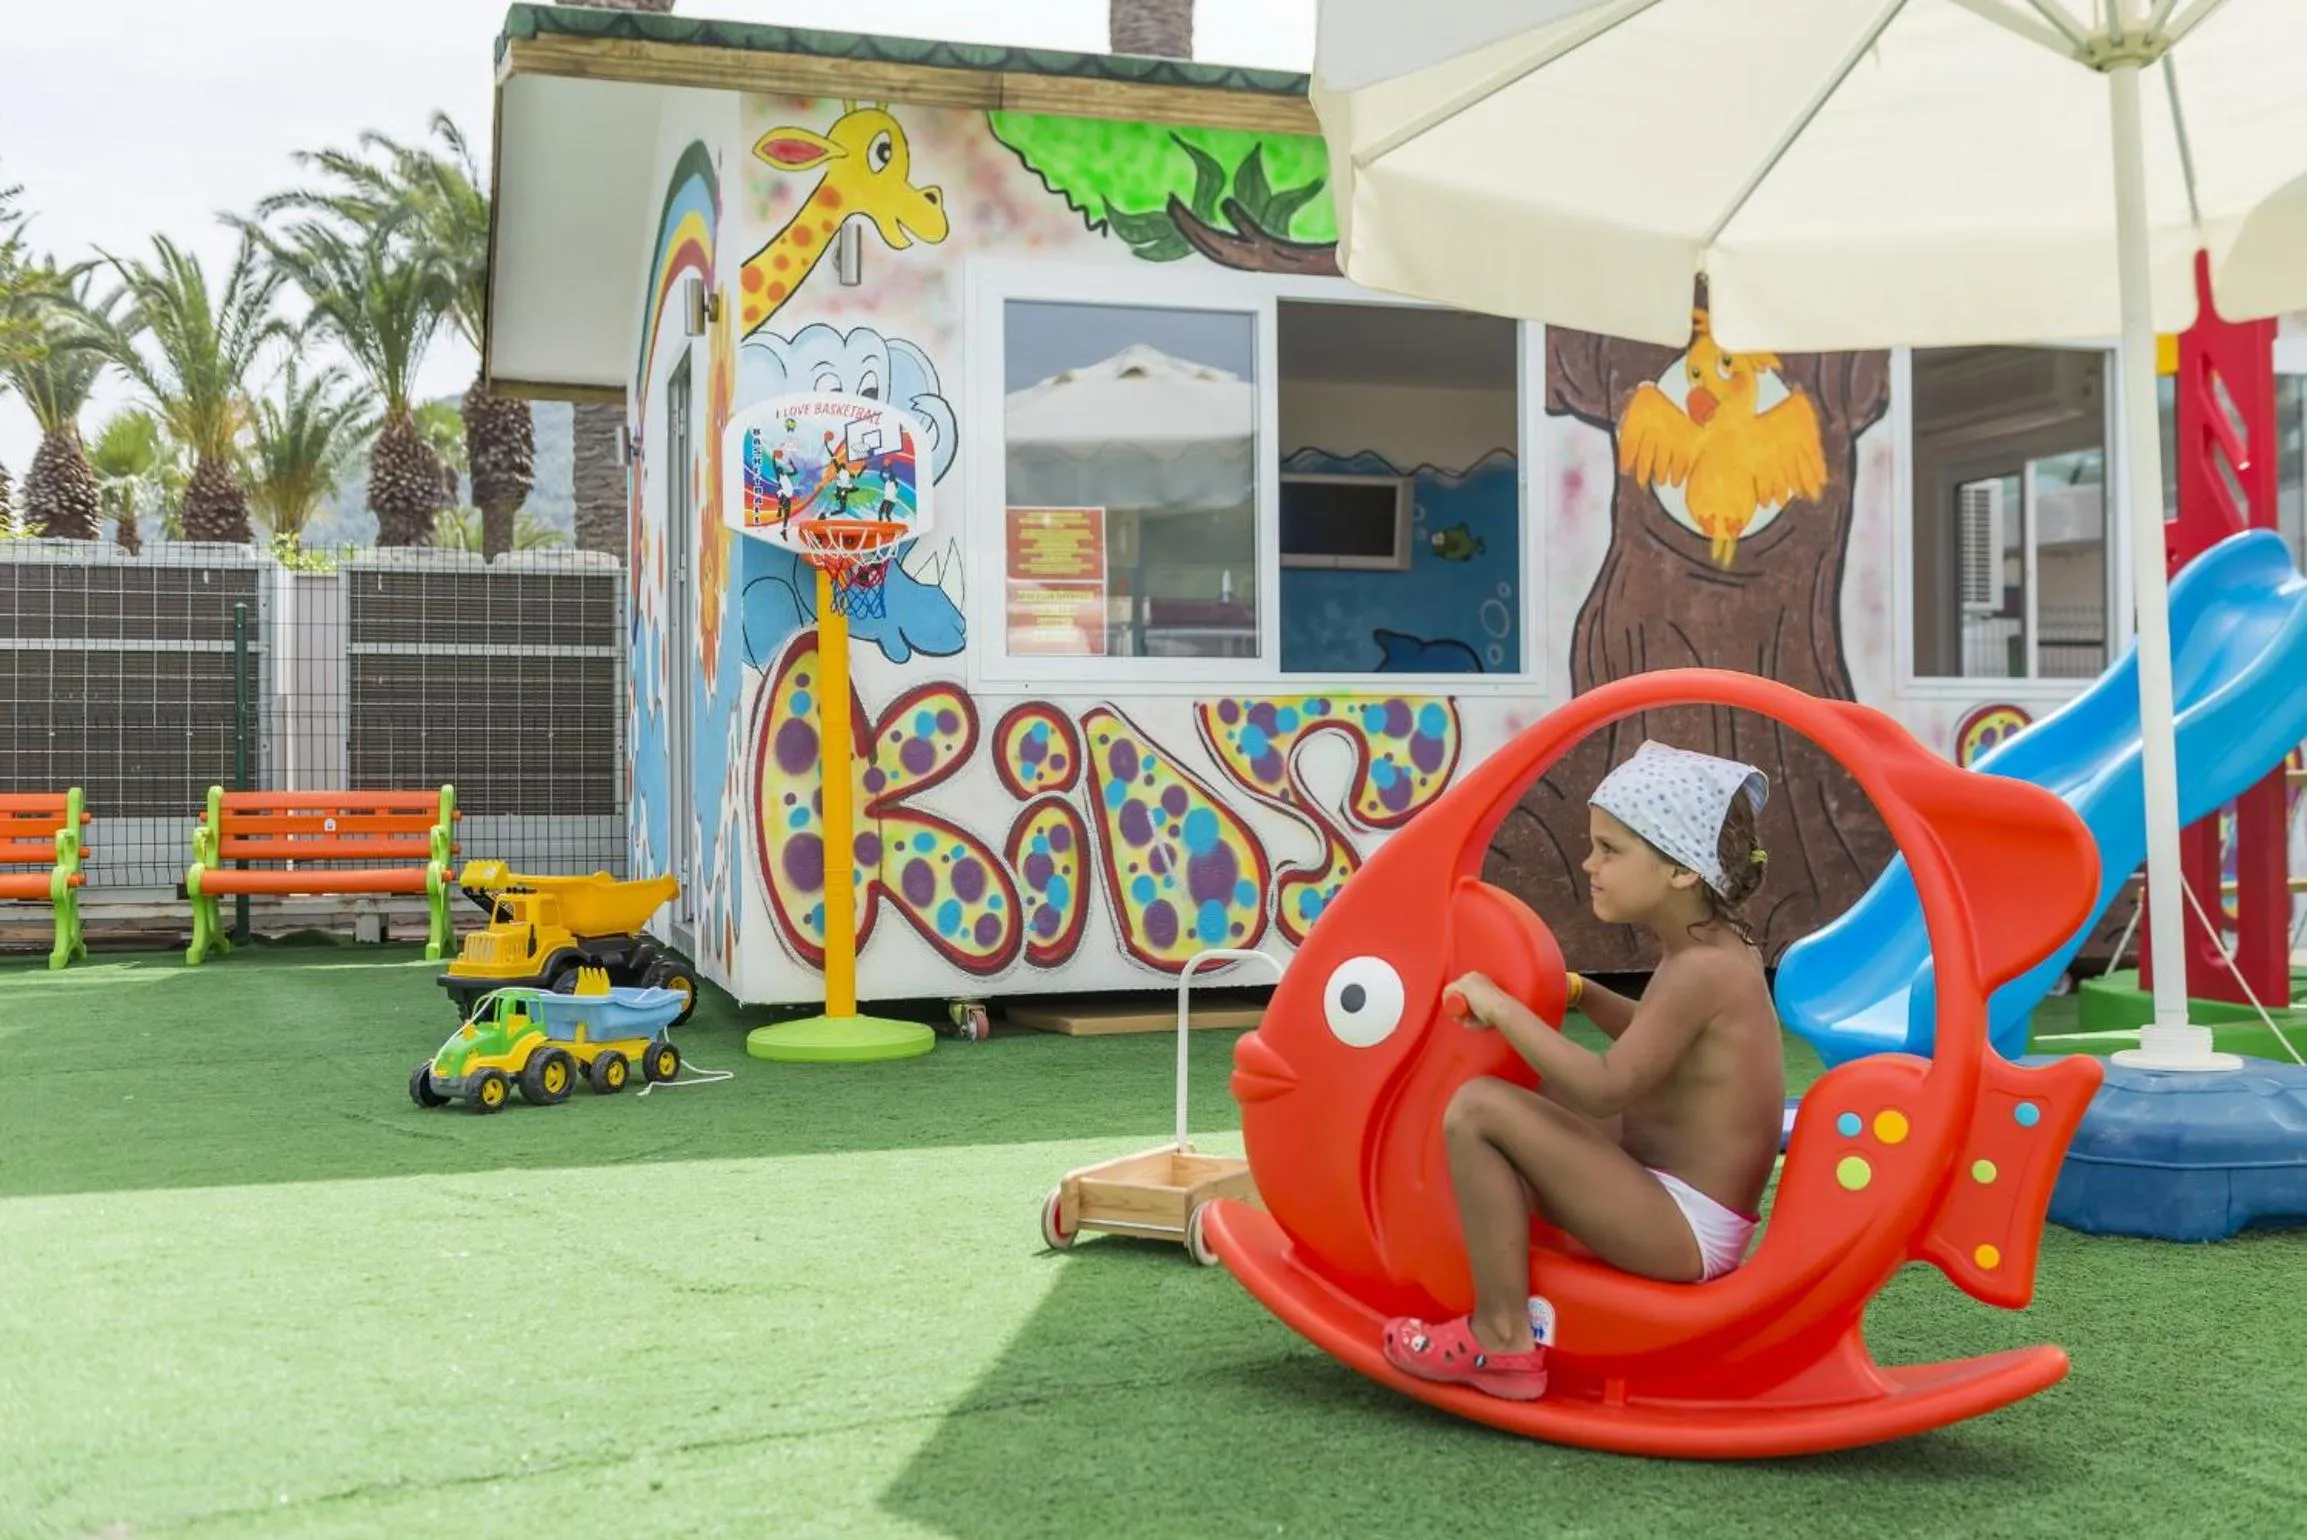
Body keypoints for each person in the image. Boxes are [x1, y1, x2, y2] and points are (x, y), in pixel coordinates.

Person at [1380, 739, 1784, 1402]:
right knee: (1531, 1097)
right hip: (1682, 1202)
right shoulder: (1711, 946)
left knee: (1480, 1106)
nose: (1589, 864)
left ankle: (1501, 1338)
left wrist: (1502, 1007)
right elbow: (1658, 1047)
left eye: (1610, 850)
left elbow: (1606, 1083)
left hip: (1682, 1228)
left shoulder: (1699, 970)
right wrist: (1580, 993)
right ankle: (1504, 1262)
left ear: (1681, 870)